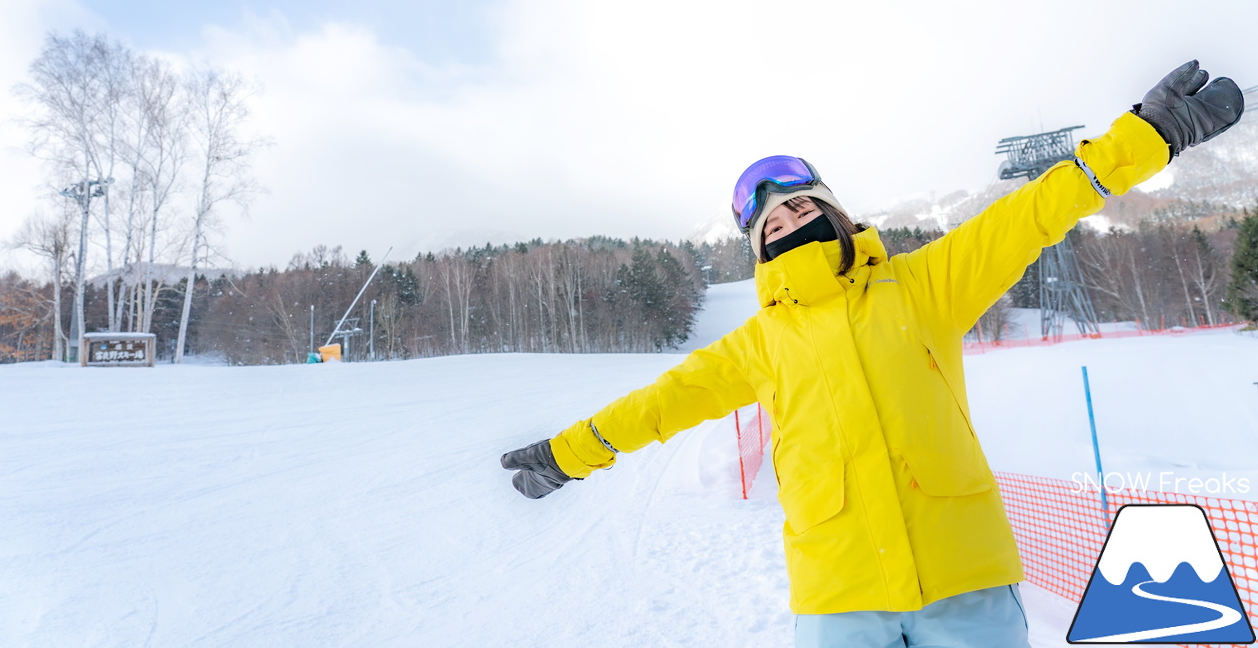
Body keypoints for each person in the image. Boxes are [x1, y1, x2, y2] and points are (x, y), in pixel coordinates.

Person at [501, 62, 1244, 647]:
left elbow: (1033, 212)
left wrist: (1150, 134)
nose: (788, 221)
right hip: (839, 600)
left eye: (799, 205)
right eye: (770, 220)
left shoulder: (924, 285)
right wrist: (567, 453)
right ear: (757, 247)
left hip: (969, 584)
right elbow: (656, 406)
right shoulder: (757, 345)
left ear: (832, 211)